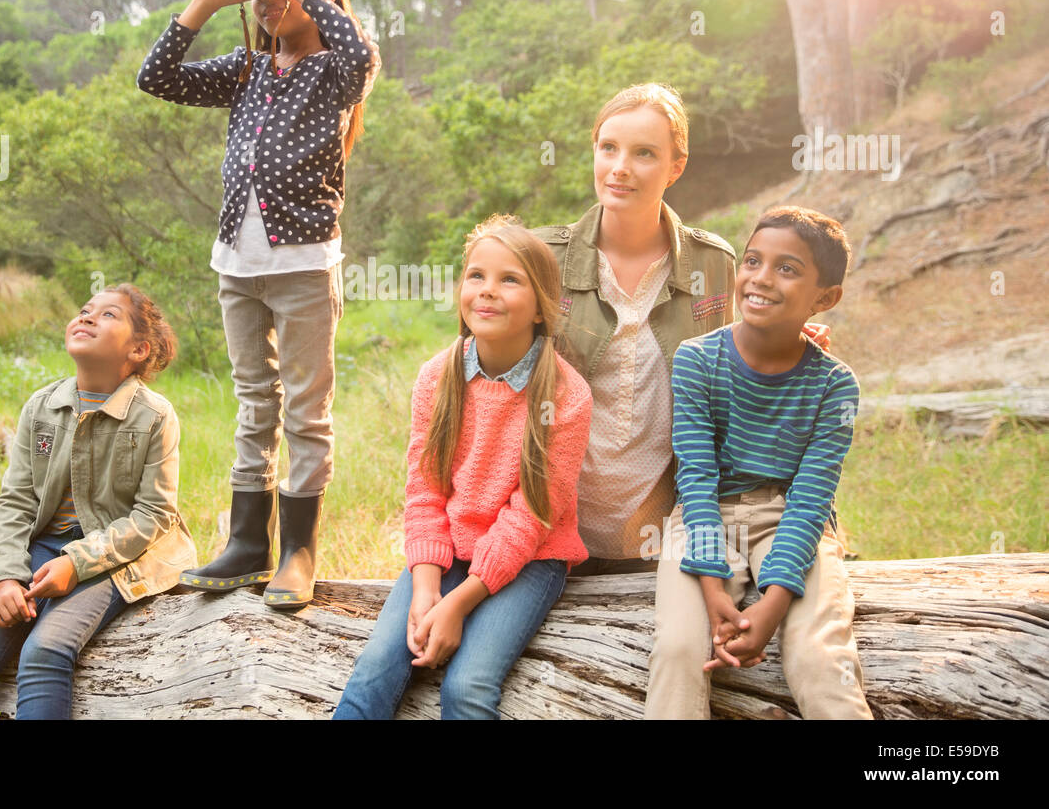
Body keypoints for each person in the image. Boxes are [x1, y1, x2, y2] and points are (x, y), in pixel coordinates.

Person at [136, 0, 380, 610]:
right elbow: (155, 77)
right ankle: (247, 544)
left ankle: (298, 550)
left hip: (304, 265)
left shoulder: (336, 71)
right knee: (254, 405)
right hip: (236, 266)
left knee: (306, 412)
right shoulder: (245, 69)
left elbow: (361, 57)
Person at [532, 84, 830, 574]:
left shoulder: (713, 264)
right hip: (553, 533)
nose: (620, 167)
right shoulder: (544, 259)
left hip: (667, 534)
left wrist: (786, 345)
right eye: (608, 148)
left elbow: (729, 379)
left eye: (644, 153)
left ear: (677, 166)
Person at [333, 216, 591, 720]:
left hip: (530, 559)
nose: (488, 292)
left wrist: (457, 605)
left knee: (467, 687)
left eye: (509, 279)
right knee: (373, 671)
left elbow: (532, 518)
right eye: (476, 276)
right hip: (446, 550)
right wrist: (427, 587)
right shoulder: (437, 376)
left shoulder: (565, 394)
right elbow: (424, 490)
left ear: (542, 306)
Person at [645, 206, 872, 719]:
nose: (761, 279)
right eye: (752, 261)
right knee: (678, 649)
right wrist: (710, 583)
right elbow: (696, 479)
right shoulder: (697, 360)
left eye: (787, 269)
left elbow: (812, 499)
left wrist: (771, 607)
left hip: (793, 520)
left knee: (820, 658)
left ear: (825, 298)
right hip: (702, 520)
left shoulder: (835, 385)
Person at [0, 285, 195, 720]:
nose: (88, 317)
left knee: (46, 649)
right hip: (43, 545)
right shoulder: (42, 407)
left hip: (116, 555)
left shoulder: (154, 415)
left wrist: (77, 563)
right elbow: (15, 501)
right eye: (85, 310)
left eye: (108, 315)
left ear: (138, 349)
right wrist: (5, 580)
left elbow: (154, 514)